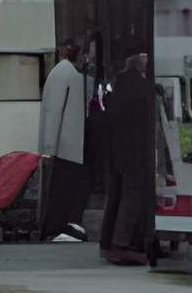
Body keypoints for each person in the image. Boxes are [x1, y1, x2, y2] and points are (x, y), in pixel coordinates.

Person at [93, 51, 162, 265]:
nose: (148, 60)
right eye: (144, 56)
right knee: (133, 193)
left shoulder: (120, 83)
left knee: (118, 194)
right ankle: (122, 243)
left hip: (119, 148)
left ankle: (112, 242)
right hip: (133, 149)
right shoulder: (136, 85)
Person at [36, 34, 96, 241]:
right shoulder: (67, 74)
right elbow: (55, 111)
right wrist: (49, 147)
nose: (86, 59)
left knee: (63, 187)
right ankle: (63, 226)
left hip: (67, 144)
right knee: (66, 187)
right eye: (84, 54)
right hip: (68, 145)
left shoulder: (64, 73)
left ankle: (61, 226)